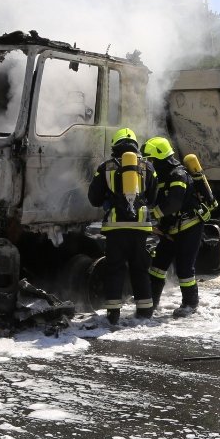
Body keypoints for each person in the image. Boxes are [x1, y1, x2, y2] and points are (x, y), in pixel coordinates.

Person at [87, 128, 159, 325]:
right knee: (140, 268)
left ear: (115, 145)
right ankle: (145, 312)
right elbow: (153, 198)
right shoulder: (148, 167)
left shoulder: (105, 167)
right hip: (141, 227)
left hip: (115, 228)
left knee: (115, 269)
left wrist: (109, 200)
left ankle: (113, 314)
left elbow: (93, 198)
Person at [143, 136, 215, 318]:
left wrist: (151, 215)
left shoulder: (179, 175)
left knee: (184, 268)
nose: (149, 163)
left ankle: (190, 303)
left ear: (160, 157)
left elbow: (173, 203)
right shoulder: (161, 176)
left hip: (190, 226)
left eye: (151, 159)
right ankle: (152, 301)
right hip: (172, 228)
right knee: (158, 266)